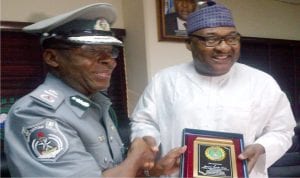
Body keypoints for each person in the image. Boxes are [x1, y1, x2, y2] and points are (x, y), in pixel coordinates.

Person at [4, 3, 186, 177]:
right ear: (52, 58)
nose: (110, 61)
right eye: (92, 51)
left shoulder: (96, 102)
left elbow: (116, 172)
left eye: (111, 51)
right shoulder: (36, 114)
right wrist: (136, 156)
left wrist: (156, 170)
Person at [131, 1, 297, 178]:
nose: (224, 47)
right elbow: (144, 122)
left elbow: (282, 130)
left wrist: (262, 147)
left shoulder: (262, 83)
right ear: (189, 43)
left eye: (232, 38)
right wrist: (147, 141)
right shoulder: (165, 80)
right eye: (211, 39)